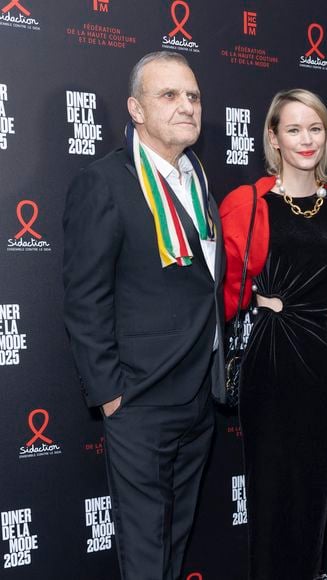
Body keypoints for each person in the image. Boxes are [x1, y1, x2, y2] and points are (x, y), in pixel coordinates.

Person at [63, 51, 224, 580]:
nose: (187, 106)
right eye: (169, 95)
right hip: (140, 400)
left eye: (194, 96)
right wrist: (112, 395)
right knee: (146, 550)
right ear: (135, 109)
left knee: (175, 542)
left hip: (200, 396)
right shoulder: (104, 182)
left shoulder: (198, 178)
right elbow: (85, 300)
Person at [220, 89, 327, 580]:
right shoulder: (250, 202)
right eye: (294, 129)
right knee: (270, 488)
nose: (306, 139)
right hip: (270, 357)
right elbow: (224, 290)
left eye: (316, 128)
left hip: (324, 362)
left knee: (314, 489)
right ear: (274, 138)